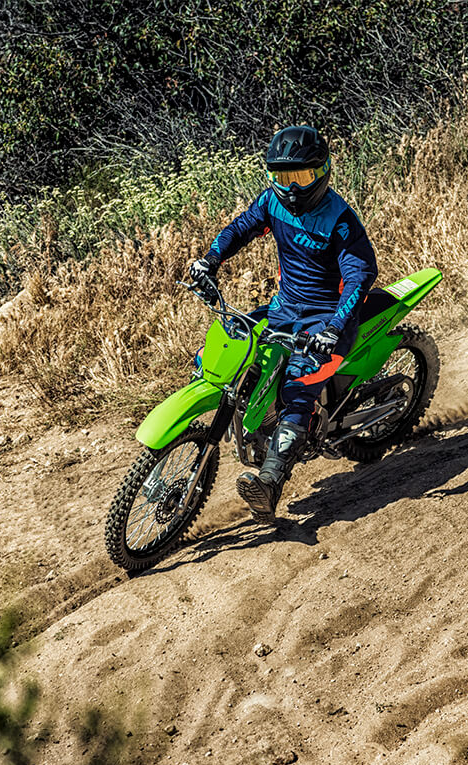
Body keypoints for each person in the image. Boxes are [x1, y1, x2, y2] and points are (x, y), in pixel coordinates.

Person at [188, 124, 378, 521]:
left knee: (297, 388)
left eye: (301, 176)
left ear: (322, 172)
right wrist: (210, 260)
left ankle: (270, 481)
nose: (290, 187)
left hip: (329, 320)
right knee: (231, 347)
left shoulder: (340, 220)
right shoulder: (272, 202)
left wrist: (333, 328)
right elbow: (241, 227)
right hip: (284, 308)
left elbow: (360, 276)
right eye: (281, 176)